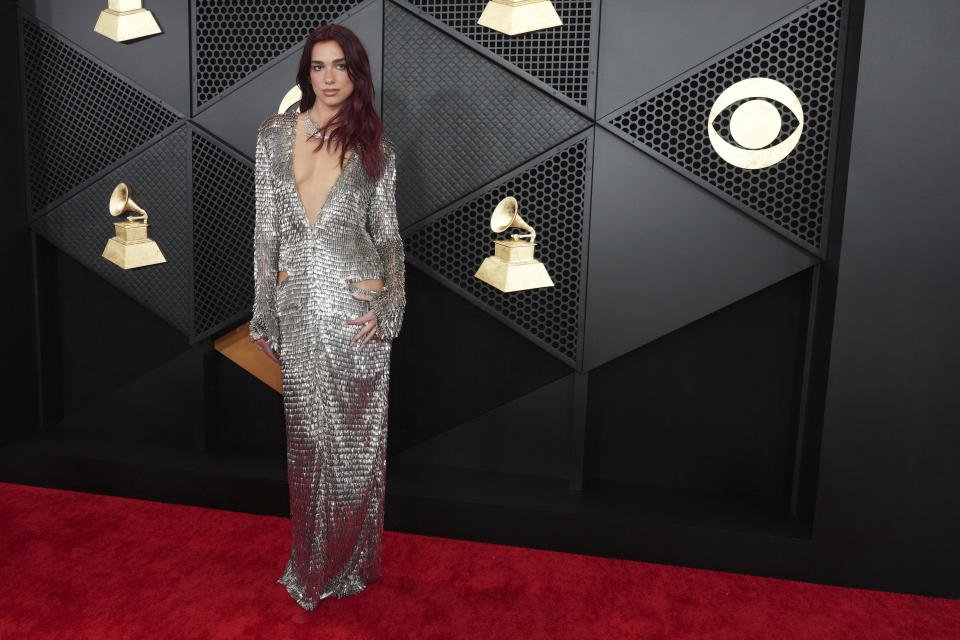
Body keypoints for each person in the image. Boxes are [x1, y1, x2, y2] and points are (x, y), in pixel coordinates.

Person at [249, 23, 405, 611]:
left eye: (341, 67)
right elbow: (266, 232)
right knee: (309, 442)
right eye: (319, 67)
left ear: (356, 74)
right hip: (296, 306)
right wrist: (263, 314)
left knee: (358, 444)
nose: (330, 78)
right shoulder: (270, 137)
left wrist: (389, 306)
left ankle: (351, 565)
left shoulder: (376, 146)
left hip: (355, 310)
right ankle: (312, 563)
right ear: (306, 74)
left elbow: (389, 240)